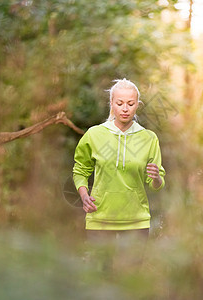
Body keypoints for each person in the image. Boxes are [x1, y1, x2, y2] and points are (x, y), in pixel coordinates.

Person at [72, 78, 166, 273]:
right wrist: (83, 195)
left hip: (136, 220)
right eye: (120, 103)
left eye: (130, 104)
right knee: (99, 279)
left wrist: (156, 177)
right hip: (100, 218)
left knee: (128, 282)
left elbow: (156, 183)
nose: (125, 108)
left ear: (137, 106)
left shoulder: (148, 138)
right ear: (112, 104)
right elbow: (80, 169)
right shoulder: (94, 134)